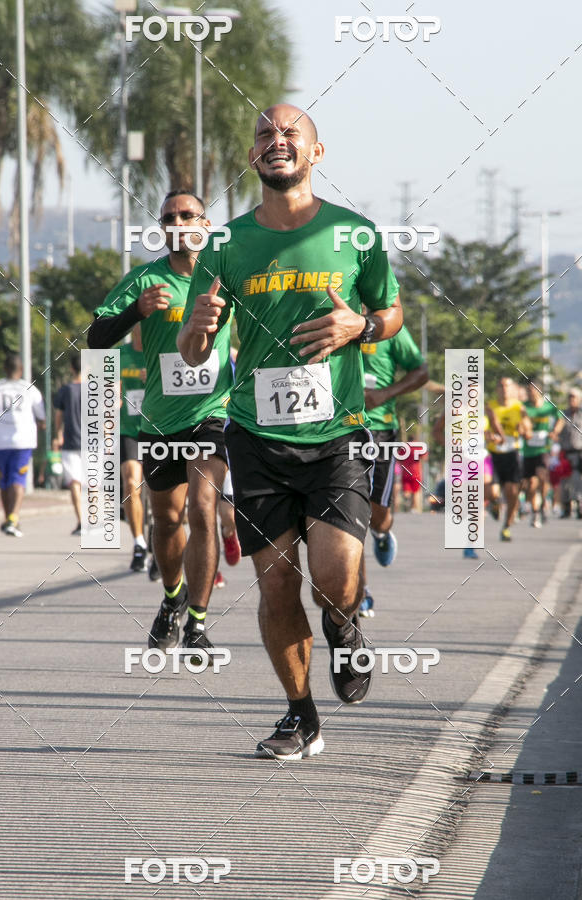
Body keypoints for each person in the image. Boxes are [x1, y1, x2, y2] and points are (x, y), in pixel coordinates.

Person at [179, 104, 402, 760]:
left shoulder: (355, 234)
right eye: (263, 134)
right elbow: (193, 351)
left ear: (316, 152)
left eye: (289, 133)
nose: (275, 141)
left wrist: (361, 327)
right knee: (277, 583)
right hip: (256, 437)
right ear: (254, 155)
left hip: (336, 436)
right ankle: (300, 716)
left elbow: (390, 312)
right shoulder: (225, 244)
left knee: (334, 578)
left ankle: (345, 626)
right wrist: (199, 329)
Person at [88, 191, 233, 658]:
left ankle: (198, 624)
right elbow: (95, 340)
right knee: (167, 521)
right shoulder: (144, 279)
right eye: (169, 217)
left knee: (203, 508)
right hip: (160, 420)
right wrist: (137, 311)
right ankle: (173, 598)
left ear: (205, 225)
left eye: (188, 215)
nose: (178, 222)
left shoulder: (228, 277)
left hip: (213, 413)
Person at [359, 324, 428, 617]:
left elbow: (420, 372)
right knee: (351, 515)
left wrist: (384, 394)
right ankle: (360, 591)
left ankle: (382, 533)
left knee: (377, 515)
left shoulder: (389, 327)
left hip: (380, 430)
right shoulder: (330, 319)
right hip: (337, 429)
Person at [0, 352, 45, 536]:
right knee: (18, 479)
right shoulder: (30, 388)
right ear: (21, 369)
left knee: (4, 481)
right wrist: (40, 427)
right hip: (23, 442)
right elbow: (42, 418)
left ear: (4, 369)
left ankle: (9, 518)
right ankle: (13, 517)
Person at [118, 335, 153, 573]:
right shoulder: (120, 355)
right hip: (129, 430)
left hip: (158, 428)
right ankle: (139, 543)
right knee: (132, 483)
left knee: (157, 490)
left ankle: (159, 536)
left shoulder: (163, 346)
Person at [487, 376, 532, 541]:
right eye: (501, 386)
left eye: (507, 386)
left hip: (512, 454)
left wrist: (524, 429)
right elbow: (483, 426)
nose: (504, 389)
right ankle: (494, 504)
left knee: (512, 493)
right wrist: (489, 435)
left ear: (512, 389)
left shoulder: (519, 407)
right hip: (493, 454)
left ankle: (506, 526)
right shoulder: (490, 406)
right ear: (497, 389)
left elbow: (528, 432)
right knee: (492, 492)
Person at [54, 353, 83, 535]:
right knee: (93, 485)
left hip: (71, 442)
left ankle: (81, 521)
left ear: (71, 368)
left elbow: (58, 416)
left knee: (74, 483)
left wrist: (58, 435)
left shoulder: (65, 390)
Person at [522, 379, 557, 527]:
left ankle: (542, 506)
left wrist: (555, 432)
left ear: (539, 391)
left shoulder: (549, 407)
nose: (530, 393)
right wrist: (525, 431)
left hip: (543, 449)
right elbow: (520, 423)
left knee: (542, 477)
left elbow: (560, 419)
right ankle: (535, 511)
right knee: (531, 483)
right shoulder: (524, 407)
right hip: (528, 450)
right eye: (528, 391)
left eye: (532, 391)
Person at [552, 388, 582, 519]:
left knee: (577, 480)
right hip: (565, 452)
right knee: (564, 480)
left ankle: (579, 506)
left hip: (579, 452)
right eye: (570, 397)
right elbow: (555, 431)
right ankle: (566, 507)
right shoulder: (562, 414)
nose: (572, 399)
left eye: (574, 397)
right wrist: (555, 436)